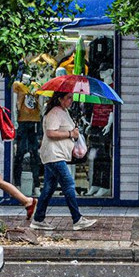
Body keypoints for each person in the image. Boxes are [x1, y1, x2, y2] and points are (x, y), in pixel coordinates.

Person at [30, 92, 96, 231]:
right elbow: (50, 133)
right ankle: (77, 219)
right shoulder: (55, 112)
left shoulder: (64, 111)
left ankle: (38, 219)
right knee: (69, 184)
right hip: (54, 155)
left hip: (55, 155)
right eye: (68, 98)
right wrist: (70, 134)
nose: (71, 100)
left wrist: (74, 132)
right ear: (60, 99)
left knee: (49, 188)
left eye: (72, 97)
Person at [12, 74, 42, 193]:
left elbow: (40, 103)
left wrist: (41, 116)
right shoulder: (18, 85)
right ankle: (17, 184)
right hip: (22, 122)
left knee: (34, 154)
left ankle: (36, 185)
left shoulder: (36, 86)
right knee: (20, 153)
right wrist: (14, 119)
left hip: (34, 122)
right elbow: (14, 102)